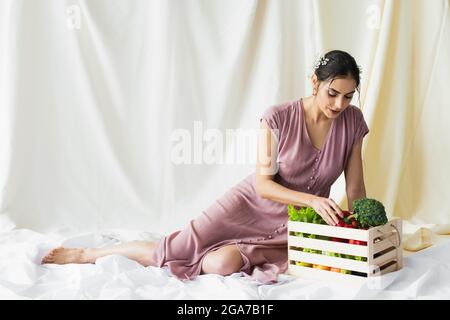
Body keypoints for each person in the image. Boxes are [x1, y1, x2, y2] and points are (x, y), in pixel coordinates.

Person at [41, 50, 369, 284]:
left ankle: (241, 251)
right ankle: (87, 254)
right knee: (175, 251)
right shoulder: (278, 117)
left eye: (348, 97)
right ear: (314, 82)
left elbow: (354, 188)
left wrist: (360, 233)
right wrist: (312, 199)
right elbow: (263, 184)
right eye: (333, 93)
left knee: (221, 264)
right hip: (248, 205)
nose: (339, 104)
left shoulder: (352, 123)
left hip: (293, 227)